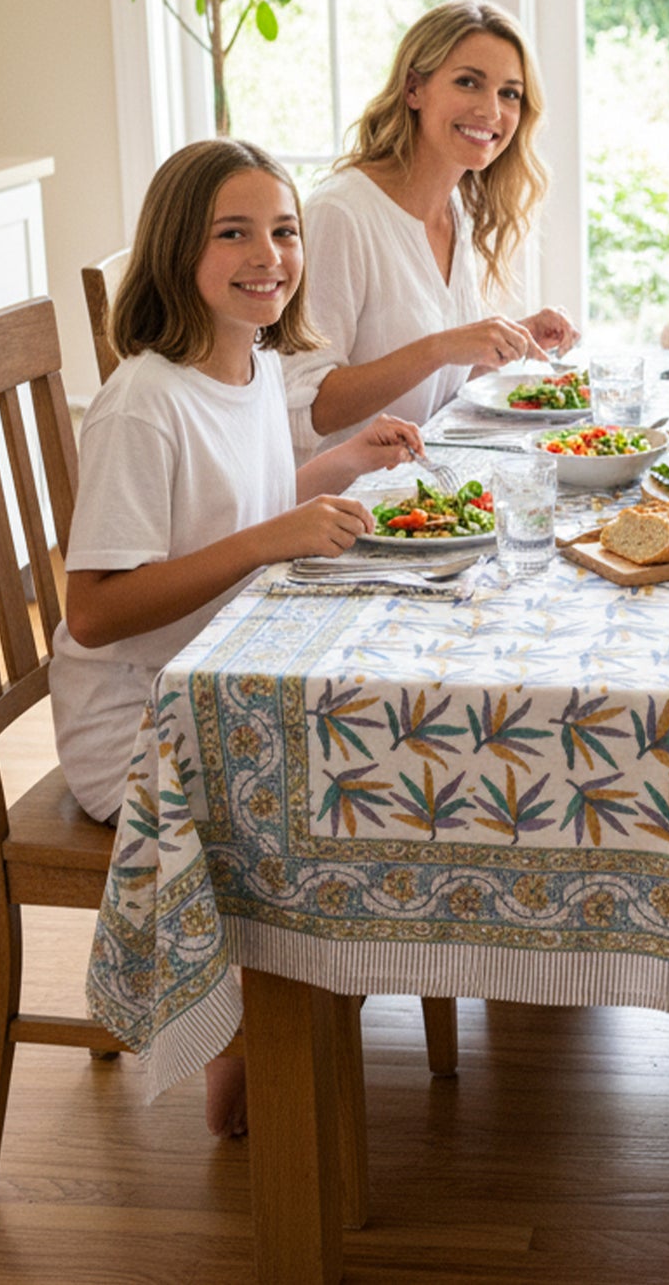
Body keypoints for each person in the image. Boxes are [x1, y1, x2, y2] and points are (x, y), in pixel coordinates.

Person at [50, 138, 425, 1136]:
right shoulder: (143, 400)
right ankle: (244, 1020)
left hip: (221, 675)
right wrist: (272, 535)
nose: (269, 253)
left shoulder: (252, 364)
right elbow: (93, 609)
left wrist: (335, 466)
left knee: (383, 730)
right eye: (234, 232)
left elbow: (238, 509)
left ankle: (311, 981)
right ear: (178, 250)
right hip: (140, 721)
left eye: (284, 230)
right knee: (348, 760)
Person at [282, 0, 580, 463]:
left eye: (510, 93)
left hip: (423, 496)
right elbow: (307, 412)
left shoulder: (455, 207)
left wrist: (504, 341)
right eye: (468, 82)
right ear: (413, 89)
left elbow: (432, 388)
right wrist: (444, 347)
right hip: (344, 512)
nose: (491, 110)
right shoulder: (341, 215)